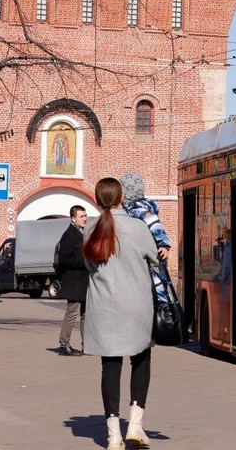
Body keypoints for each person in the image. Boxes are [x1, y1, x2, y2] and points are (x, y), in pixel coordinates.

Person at [83, 178, 159, 450]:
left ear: (96, 198)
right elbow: (156, 260)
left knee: (110, 366)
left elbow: (89, 265)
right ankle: (136, 424)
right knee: (141, 359)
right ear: (121, 197)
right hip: (136, 305)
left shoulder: (90, 228)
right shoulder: (137, 227)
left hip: (103, 307)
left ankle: (113, 433)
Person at [119, 173, 171, 302]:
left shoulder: (139, 209)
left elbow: (155, 226)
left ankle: (164, 310)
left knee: (157, 285)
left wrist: (163, 244)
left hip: (150, 256)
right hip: (147, 254)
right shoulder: (131, 208)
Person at [56, 205, 88, 357]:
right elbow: (64, 259)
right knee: (72, 313)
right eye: (82, 216)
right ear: (73, 218)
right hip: (74, 281)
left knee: (85, 314)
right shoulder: (69, 235)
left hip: (83, 281)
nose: (85, 219)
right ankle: (64, 345)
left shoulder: (83, 233)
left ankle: (86, 344)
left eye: (85, 216)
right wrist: (84, 261)